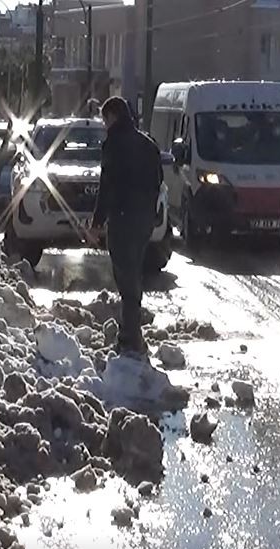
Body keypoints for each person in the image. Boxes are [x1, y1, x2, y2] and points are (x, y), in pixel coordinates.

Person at [91, 96, 163, 356]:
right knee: (133, 270)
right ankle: (132, 332)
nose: (104, 124)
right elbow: (158, 182)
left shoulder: (113, 144)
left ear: (113, 116)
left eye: (104, 119)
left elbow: (107, 184)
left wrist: (97, 221)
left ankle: (129, 337)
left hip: (122, 218)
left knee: (126, 275)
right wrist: (152, 213)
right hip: (143, 219)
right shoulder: (148, 145)